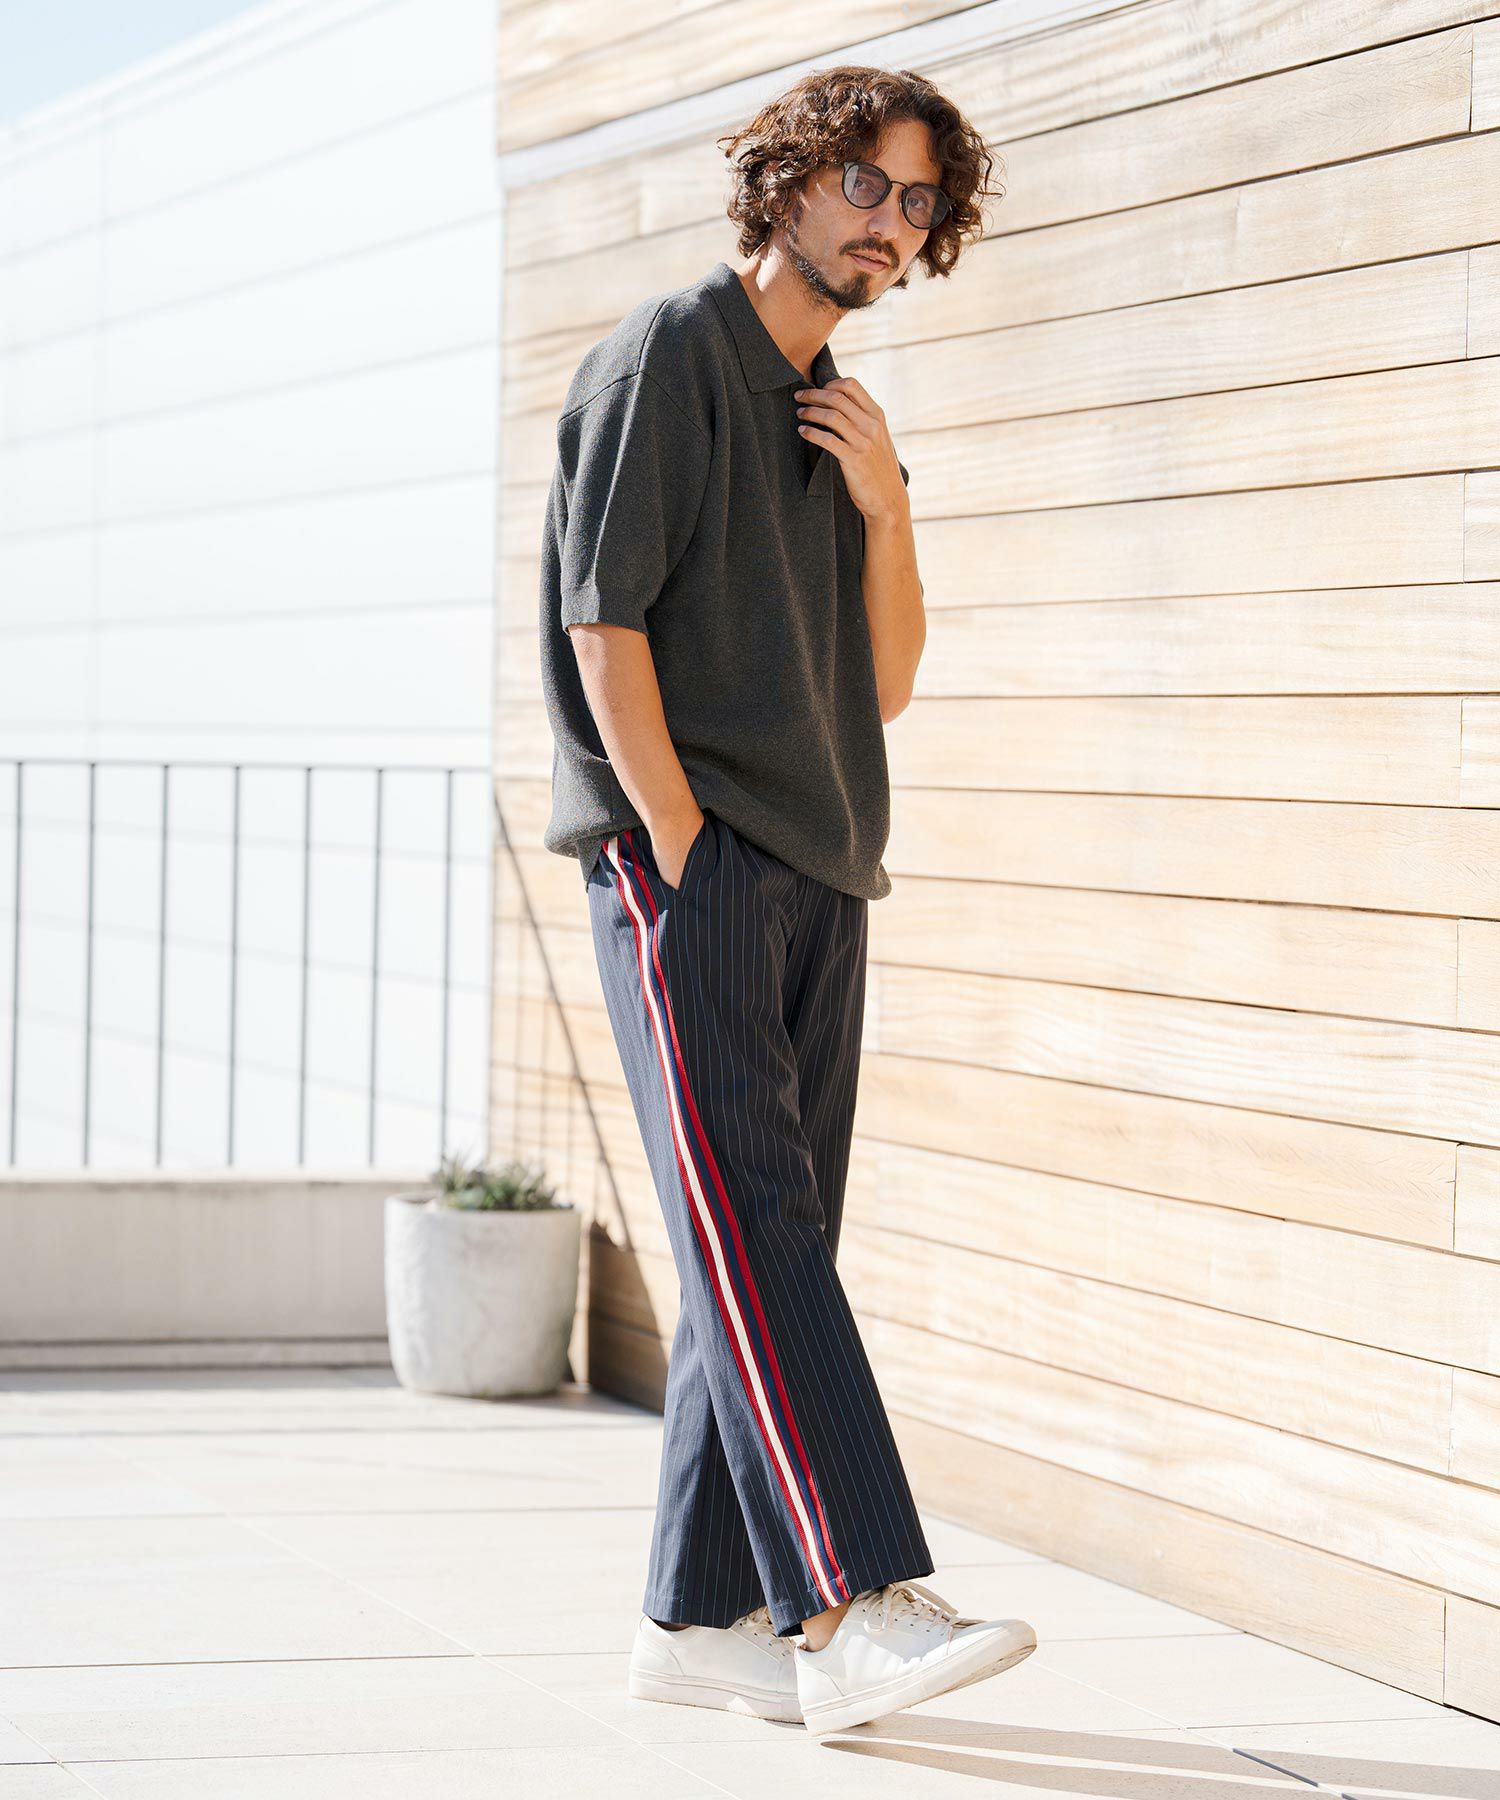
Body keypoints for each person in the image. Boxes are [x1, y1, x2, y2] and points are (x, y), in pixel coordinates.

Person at [537, 62, 1034, 1739]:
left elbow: (881, 683)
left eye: (918, 201)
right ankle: (851, 1599)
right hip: (699, 865)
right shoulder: (670, 354)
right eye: (864, 184)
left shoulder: (837, 414)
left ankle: (700, 1618)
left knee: (763, 1244)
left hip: (824, 865)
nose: (890, 221)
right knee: (756, 1225)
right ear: (788, 181)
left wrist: (889, 505)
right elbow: (604, 625)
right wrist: (678, 845)